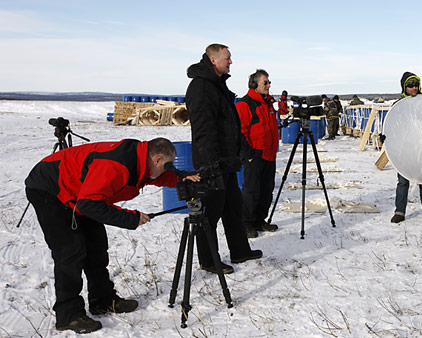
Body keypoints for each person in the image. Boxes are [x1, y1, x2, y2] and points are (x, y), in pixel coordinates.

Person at [24, 138, 198, 333]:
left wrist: (182, 178)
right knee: (70, 251)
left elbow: (156, 177)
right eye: (169, 165)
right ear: (157, 160)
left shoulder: (141, 159)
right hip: (50, 189)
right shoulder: (117, 165)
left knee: (96, 247)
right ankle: (69, 315)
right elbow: (88, 205)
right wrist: (130, 218)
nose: (170, 168)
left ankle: (103, 300)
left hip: (83, 192)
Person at [186, 43, 262, 274]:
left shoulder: (217, 86)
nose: (230, 62)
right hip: (212, 164)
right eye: (227, 58)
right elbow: (204, 130)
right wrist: (210, 166)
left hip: (227, 161)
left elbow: (231, 125)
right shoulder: (201, 87)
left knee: (233, 209)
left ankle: (240, 250)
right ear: (212, 60)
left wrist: (244, 151)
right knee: (210, 214)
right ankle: (209, 260)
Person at [390, 72, 422, 225]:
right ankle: (399, 212)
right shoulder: (397, 106)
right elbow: (391, 126)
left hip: (421, 149)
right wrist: (385, 137)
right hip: (404, 149)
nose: (414, 88)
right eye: (410, 85)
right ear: (405, 87)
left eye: (416, 85)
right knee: (403, 181)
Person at [236, 69, 280, 238]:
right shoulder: (245, 104)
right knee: (251, 191)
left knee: (266, 190)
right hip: (254, 155)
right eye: (265, 82)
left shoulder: (268, 104)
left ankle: (260, 220)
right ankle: (246, 224)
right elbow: (240, 131)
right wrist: (248, 153)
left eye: (269, 82)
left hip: (269, 155)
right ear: (254, 84)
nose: (269, 85)